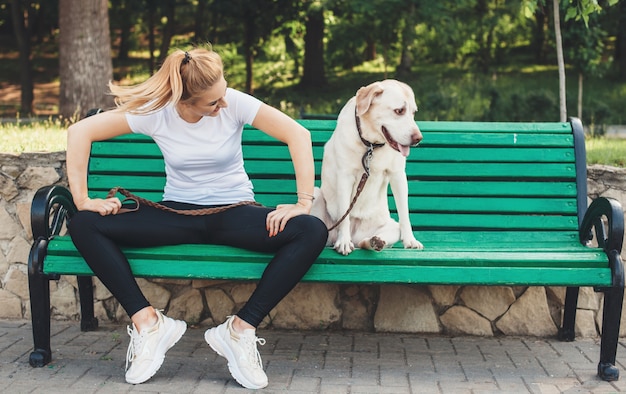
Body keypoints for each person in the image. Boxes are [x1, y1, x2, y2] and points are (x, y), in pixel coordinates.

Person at [66, 47, 328, 389]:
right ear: (184, 100)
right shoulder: (157, 112)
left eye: (222, 95)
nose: (222, 106)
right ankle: (149, 323)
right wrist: (84, 200)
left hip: (234, 212)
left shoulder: (232, 101)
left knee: (311, 230)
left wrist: (302, 203)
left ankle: (239, 331)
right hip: (175, 213)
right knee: (83, 224)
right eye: (211, 103)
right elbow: (79, 132)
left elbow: (298, 134)